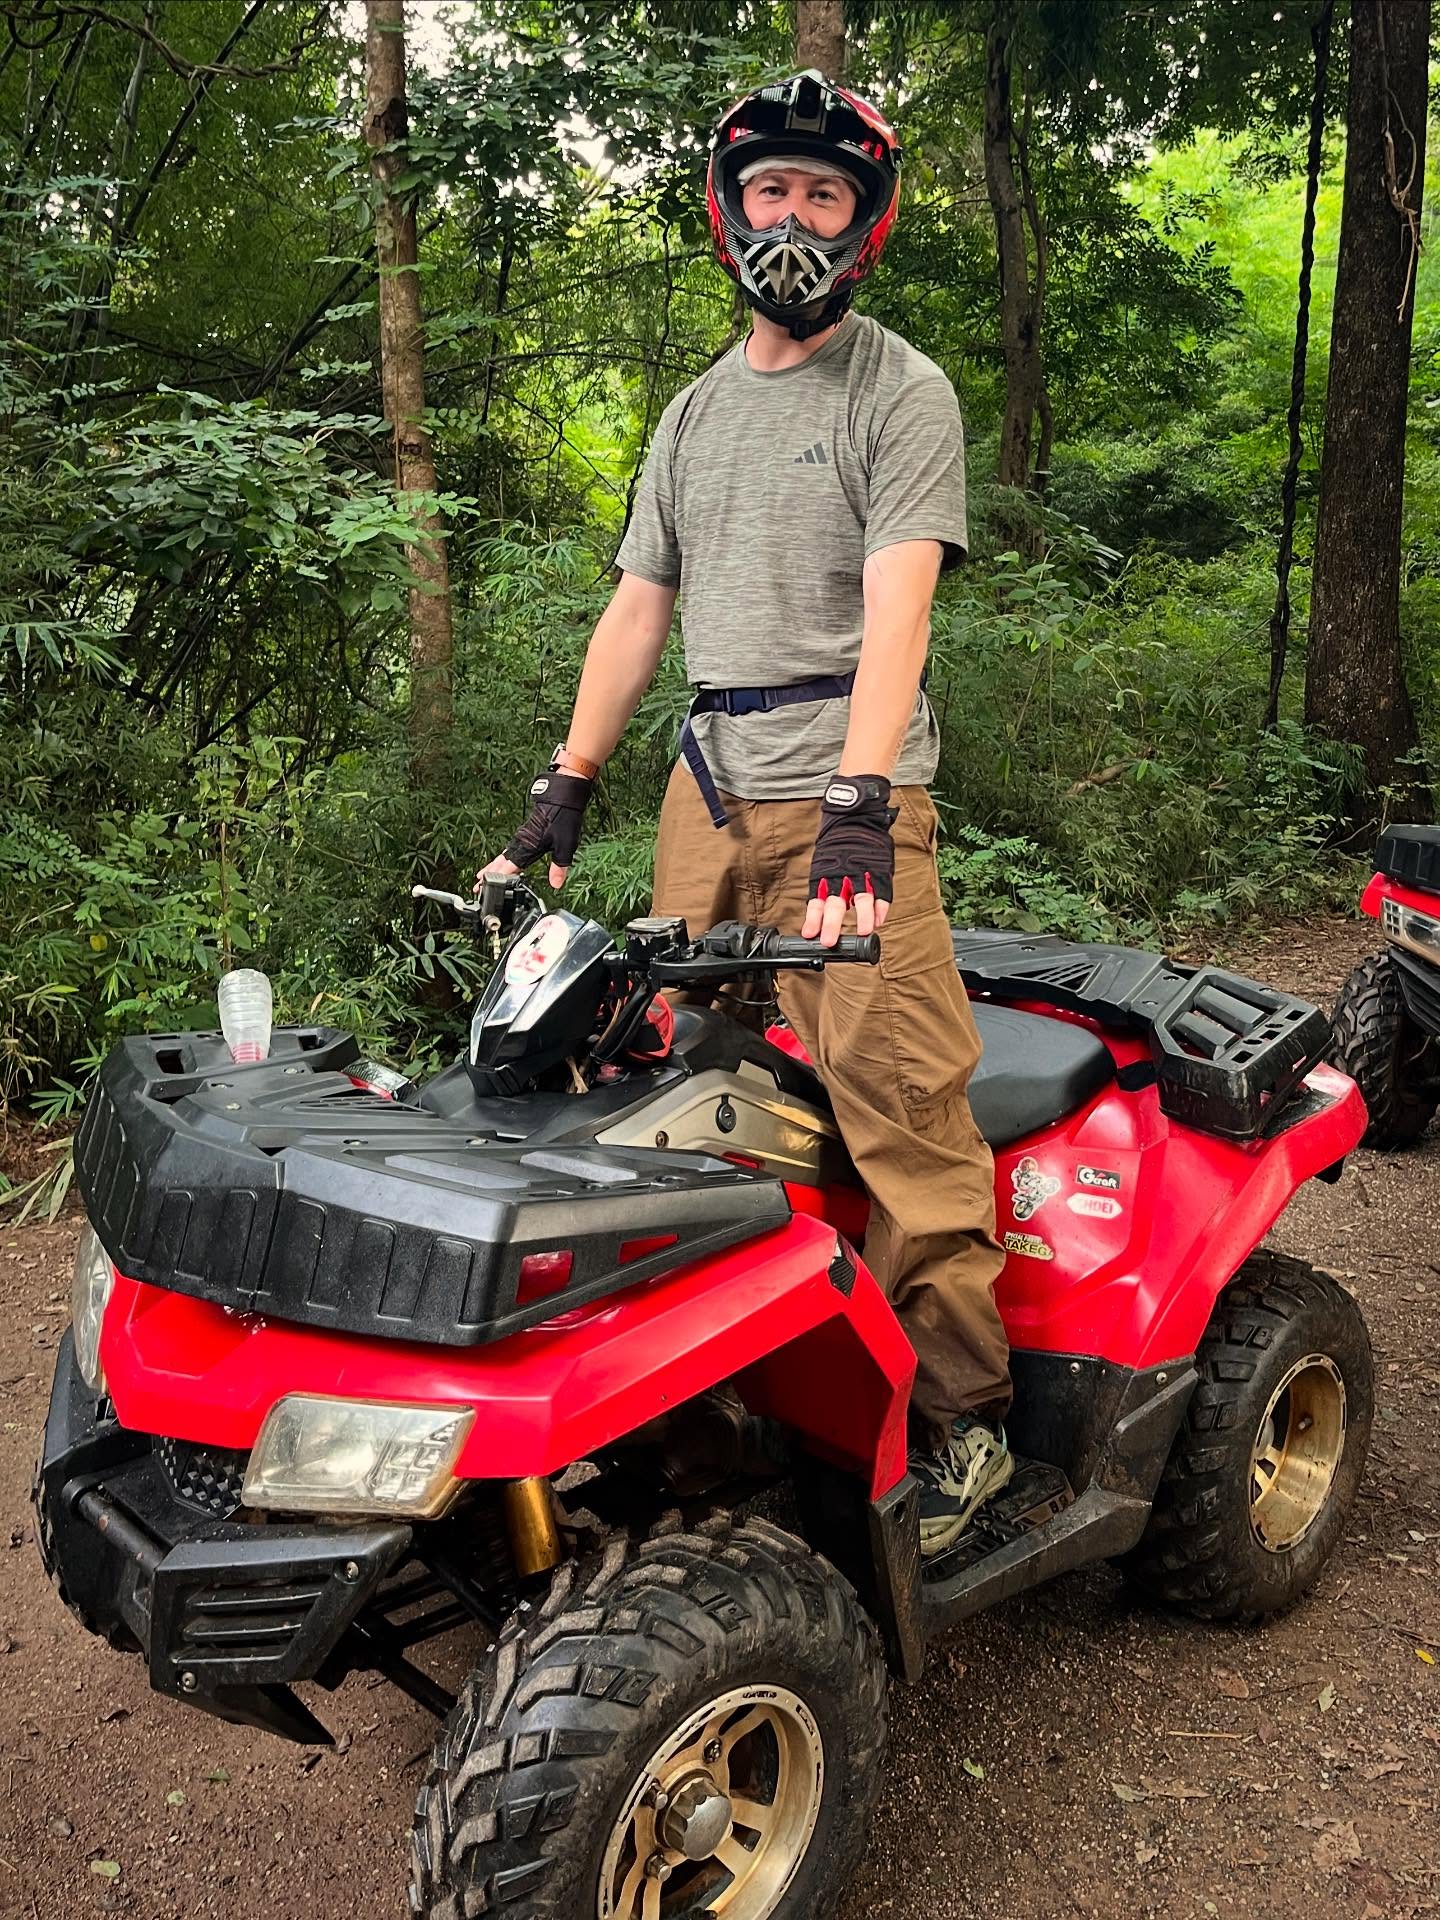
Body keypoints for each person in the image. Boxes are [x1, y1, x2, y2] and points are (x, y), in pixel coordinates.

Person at [482, 70, 1012, 1552]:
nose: (794, 216)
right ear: (730, 212)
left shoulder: (900, 390)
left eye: (824, 195)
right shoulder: (695, 414)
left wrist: (862, 795)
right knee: (670, 1091)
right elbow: (639, 611)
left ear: (866, 226)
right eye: (772, 188)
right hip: (705, 797)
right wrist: (564, 787)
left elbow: (900, 601)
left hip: (847, 800)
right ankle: (707, 1408)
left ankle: (966, 1422)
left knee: (899, 1101)